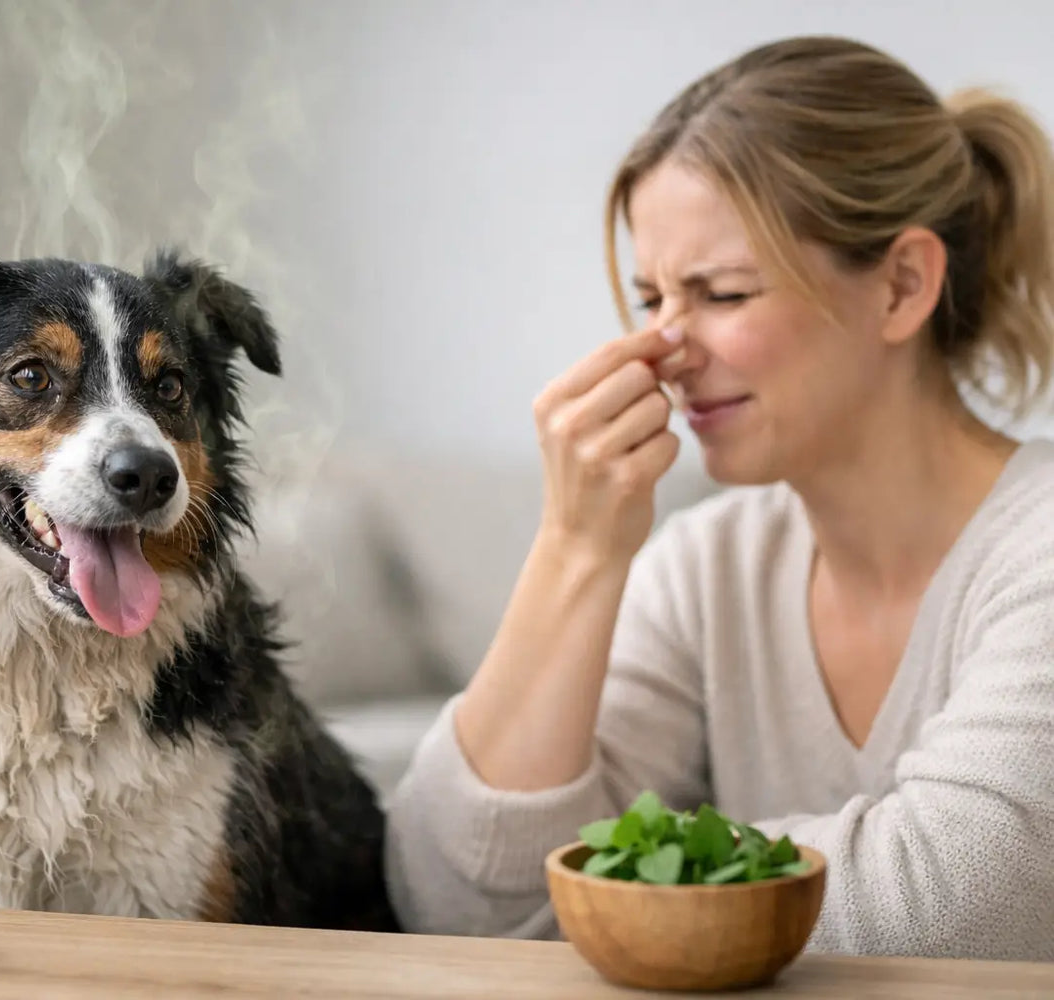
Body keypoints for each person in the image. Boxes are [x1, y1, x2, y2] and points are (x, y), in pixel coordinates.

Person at [383, 35, 1054, 960]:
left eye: (722, 293)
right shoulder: (709, 567)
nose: (664, 349)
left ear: (902, 286)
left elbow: (956, 899)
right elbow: (452, 899)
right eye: (652, 296)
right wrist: (575, 549)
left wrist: (607, 881)